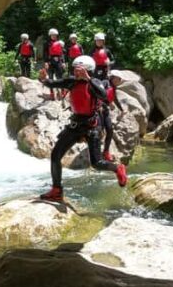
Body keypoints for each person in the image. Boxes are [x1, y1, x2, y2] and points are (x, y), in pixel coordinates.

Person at [37, 55, 128, 202]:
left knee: (97, 163)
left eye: (80, 70)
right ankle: (57, 190)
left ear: (88, 70)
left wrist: (88, 79)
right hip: (75, 125)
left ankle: (117, 168)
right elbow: (53, 83)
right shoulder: (71, 82)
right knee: (55, 156)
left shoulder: (95, 82)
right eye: (75, 69)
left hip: (92, 126)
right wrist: (44, 79)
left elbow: (104, 95)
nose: (76, 72)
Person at [100, 71, 125, 161]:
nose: (120, 81)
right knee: (99, 131)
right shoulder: (105, 83)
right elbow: (98, 93)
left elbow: (115, 99)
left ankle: (106, 152)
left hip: (105, 111)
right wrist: (106, 103)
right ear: (113, 78)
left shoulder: (114, 88)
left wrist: (122, 110)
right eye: (119, 79)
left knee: (110, 130)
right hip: (98, 110)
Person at [43, 28, 66, 100]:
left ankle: (62, 92)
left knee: (60, 77)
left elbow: (62, 53)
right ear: (50, 35)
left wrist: (63, 62)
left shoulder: (60, 43)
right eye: (52, 35)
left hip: (58, 61)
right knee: (50, 78)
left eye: (55, 35)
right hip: (50, 61)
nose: (54, 36)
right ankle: (52, 93)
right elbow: (45, 53)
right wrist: (46, 62)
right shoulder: (47, 43)